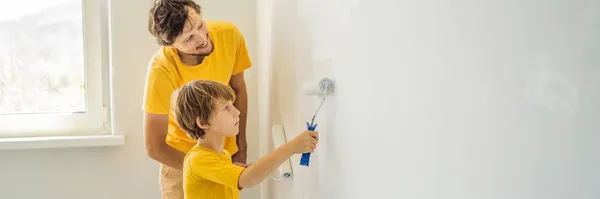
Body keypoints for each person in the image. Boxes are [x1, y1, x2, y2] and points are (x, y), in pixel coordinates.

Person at [143, 0, 251, 198]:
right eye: (188, 39)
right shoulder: (161, 70)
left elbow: (239, 90)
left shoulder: (229, 35)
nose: (202, 38)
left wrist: (241, 148)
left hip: (224, 157)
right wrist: (199, 168)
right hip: (181, 161)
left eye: (200, 25)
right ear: (171, 45)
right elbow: (154, 146)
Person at [171, 80, 319, 199]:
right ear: (203, 122)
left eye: (231, 105)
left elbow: (233, 183)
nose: (237, 112)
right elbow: (248, 179)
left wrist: (240, 171)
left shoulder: (222, 156)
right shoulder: (197, 159)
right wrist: (291, 147)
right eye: (226, 108)